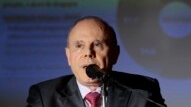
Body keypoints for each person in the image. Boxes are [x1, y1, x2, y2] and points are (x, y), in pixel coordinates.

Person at [26, 16, 167, 107]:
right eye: (79, 46)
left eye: (98, 44)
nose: (88, 53)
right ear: (68, 56)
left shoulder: (143, 91)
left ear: (115, 54)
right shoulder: (44, 97)